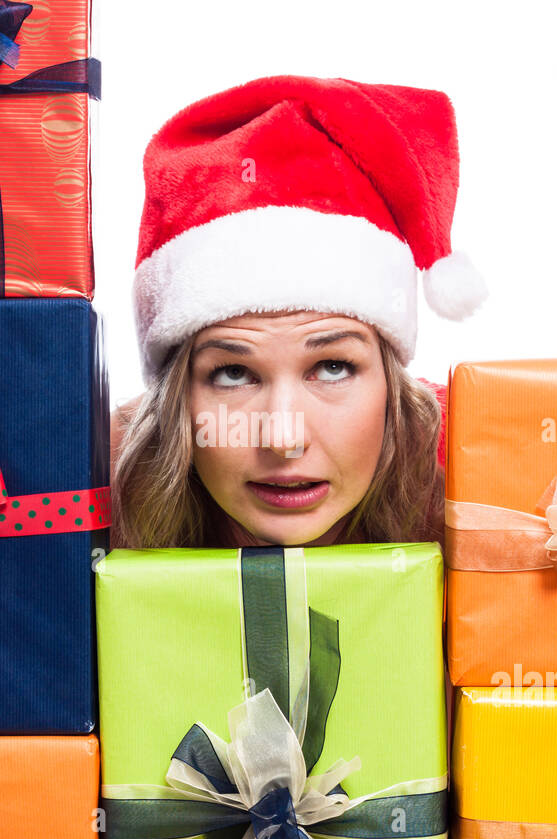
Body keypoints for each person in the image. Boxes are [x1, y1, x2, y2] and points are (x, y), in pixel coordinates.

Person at [110, 76, 486, 550]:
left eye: (333, 367)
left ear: (392, 384)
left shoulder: (483, 466)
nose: (284, 440)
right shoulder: (92, 488)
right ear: (174, 399)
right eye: (232, 373)